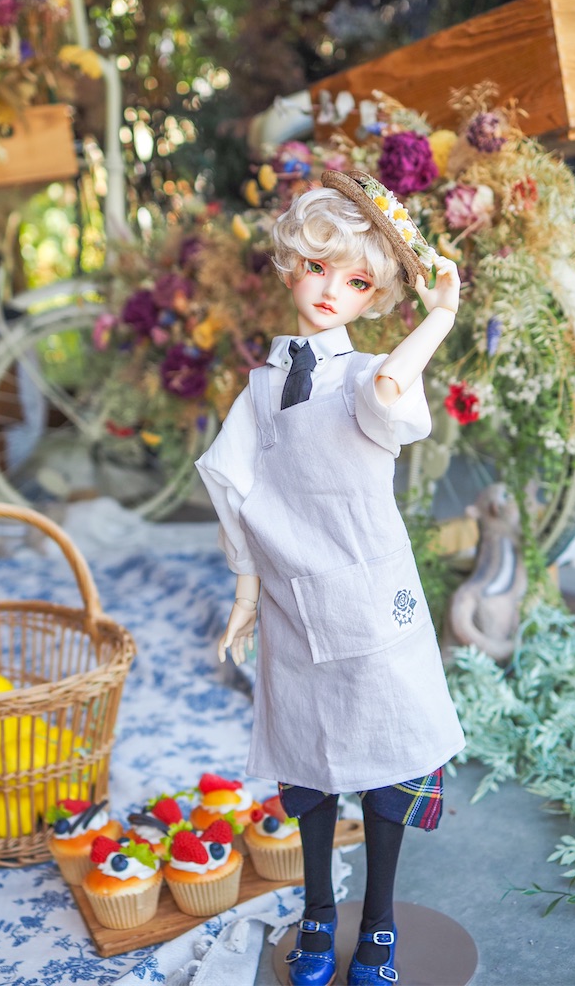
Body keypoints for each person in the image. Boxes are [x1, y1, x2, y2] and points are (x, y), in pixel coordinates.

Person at [195, 170, 466, 986]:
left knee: (385, 771)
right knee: (309, 773)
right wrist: (246, 585)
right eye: (317, 269)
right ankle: (318, 914)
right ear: (289, 269)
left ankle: (376, 923)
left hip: (375, 608)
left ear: (374, 296)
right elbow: (228, 482)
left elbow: (390, 391)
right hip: (291, 605)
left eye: (354, 281)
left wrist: (442, 315)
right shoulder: (261, 388)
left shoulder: (365, 376)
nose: (328, 291)